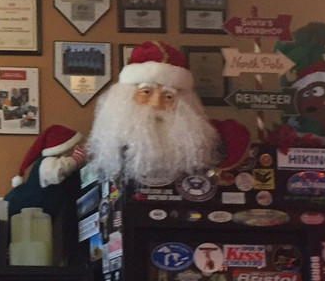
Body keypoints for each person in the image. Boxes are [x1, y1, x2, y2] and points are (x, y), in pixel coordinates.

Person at [87, 41, 249, 186]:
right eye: (146, 92)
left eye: (168, 96)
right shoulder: (112, 140)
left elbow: (234, 135)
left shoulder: (204, 137)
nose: (156, 103)